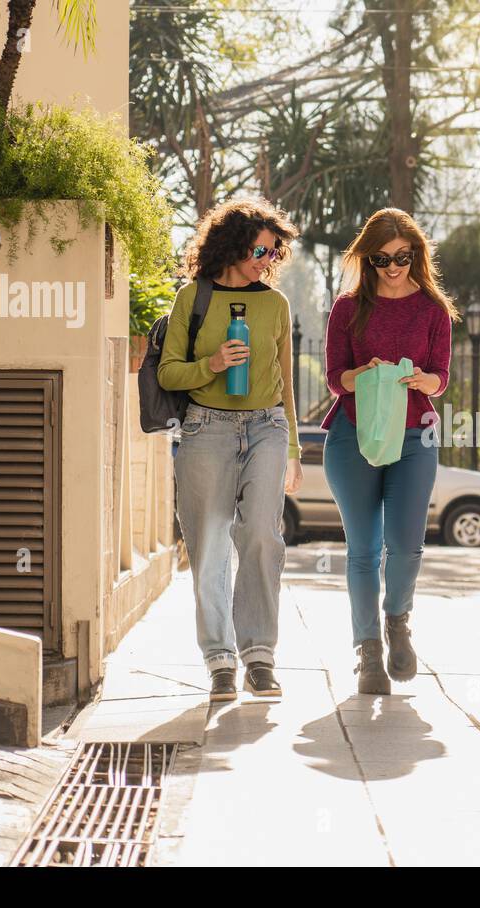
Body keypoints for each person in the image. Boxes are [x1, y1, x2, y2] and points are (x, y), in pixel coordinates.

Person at [158, 198, 303, 703]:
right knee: (209, 546)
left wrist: (294, 450)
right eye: (261, 249)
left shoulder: (275, 305)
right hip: (205, 428)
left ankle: (259, 657)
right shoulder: (191, 299)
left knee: (262, 535)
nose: (268, 258)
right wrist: (213, 363)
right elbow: (168, 371)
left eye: (274, 251)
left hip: (266, 426)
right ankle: (219, 660)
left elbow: (285, 381)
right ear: (235, 245)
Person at [322, 208, 456, 695]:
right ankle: (368, 651)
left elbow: (441, 376)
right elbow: (335, 379)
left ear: (416, 254)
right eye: (382, 258)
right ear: (368, 258)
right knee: (363, 550)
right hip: (353, 436)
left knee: (405, 545)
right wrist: (362, 374)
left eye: (403, 256)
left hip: (413, 437)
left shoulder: (433, 309)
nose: (394, 267)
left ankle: (397, 621)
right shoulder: (346, 308)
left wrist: (425, 380)